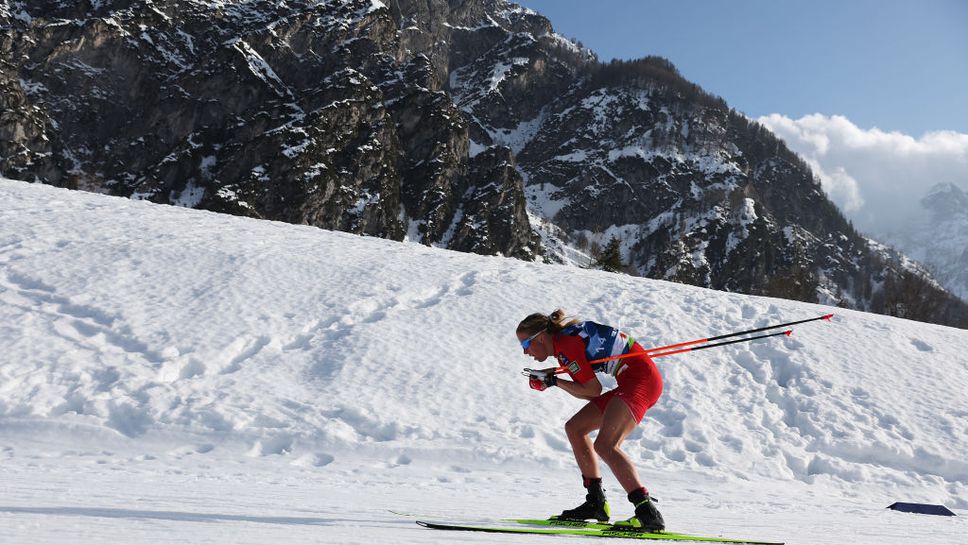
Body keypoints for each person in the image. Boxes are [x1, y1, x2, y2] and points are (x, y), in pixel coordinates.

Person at [516, 309, 665, 532]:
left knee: (606, 445)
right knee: (575, 428)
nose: (526, 352)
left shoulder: (566, 345)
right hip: (631, 381)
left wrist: (555, 381)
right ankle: (595, 503)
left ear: (541, 337)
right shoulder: (564, 343)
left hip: (640, 382)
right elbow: (591, 391)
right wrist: (556, 379)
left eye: (525, 345)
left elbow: (593, 390)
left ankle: (647, 513)